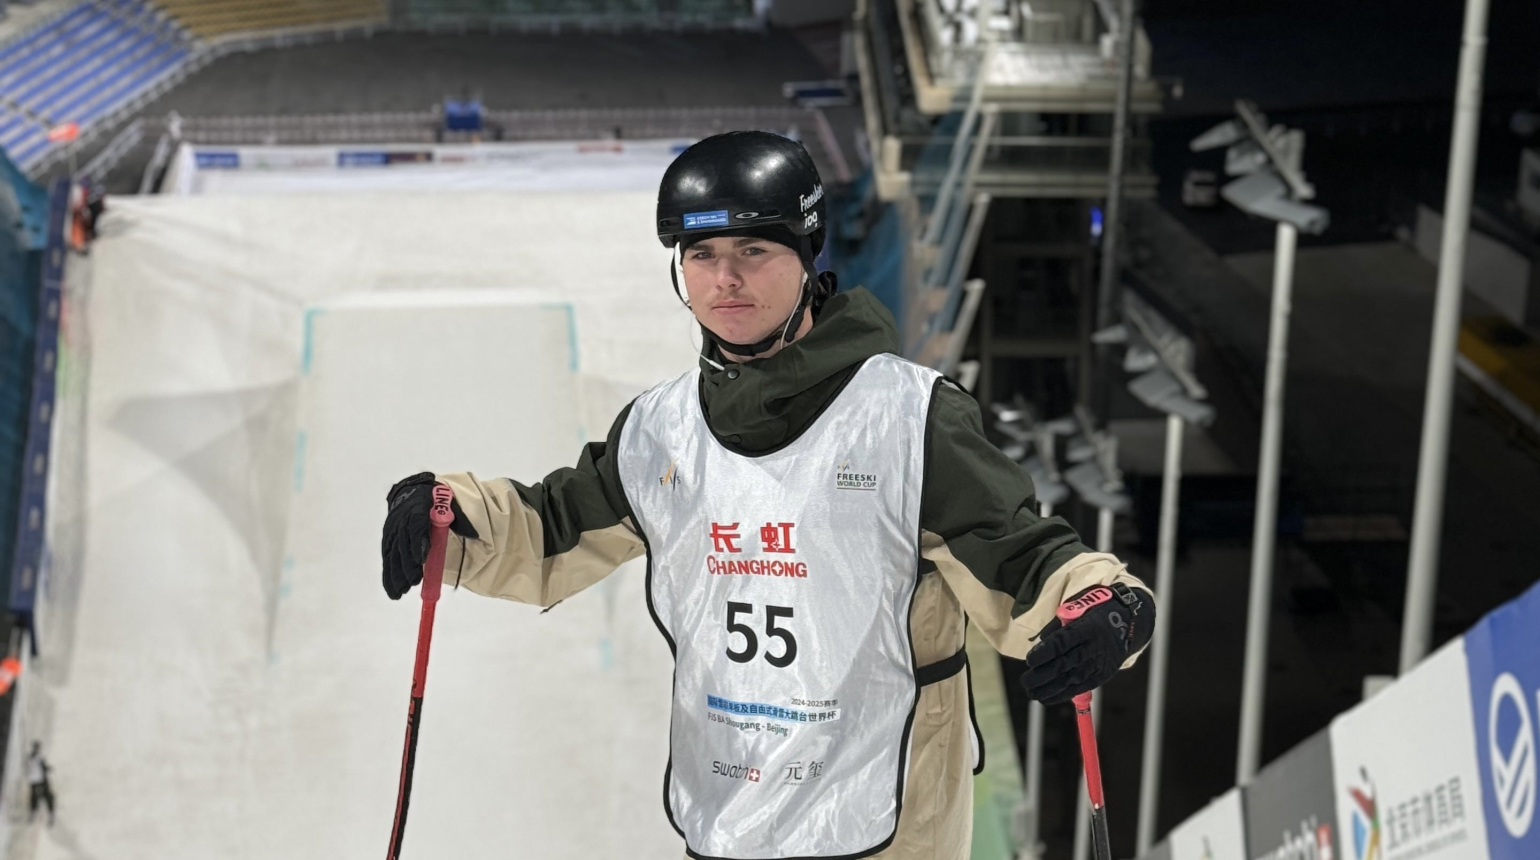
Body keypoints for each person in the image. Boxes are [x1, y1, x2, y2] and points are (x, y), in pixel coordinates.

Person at [379, 131, 1156, 860]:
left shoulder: (906, 416)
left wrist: (1106, 607)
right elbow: (554, 527)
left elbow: (1021, 558)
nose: (725, 278)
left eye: (754, 249)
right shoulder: (660, 429)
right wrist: (452, 515)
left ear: (806, 253)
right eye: (702, 253)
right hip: (729, 801)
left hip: (884, 814)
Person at [27, 742, 54, 827]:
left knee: (43, 796)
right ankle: (34, 812)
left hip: (37, 780)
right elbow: (43, 767)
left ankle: (47, 814)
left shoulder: (34, 757)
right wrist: (47, 768)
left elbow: (43, 767)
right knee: (37, 796)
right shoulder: (35, 757)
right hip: (37, 780)